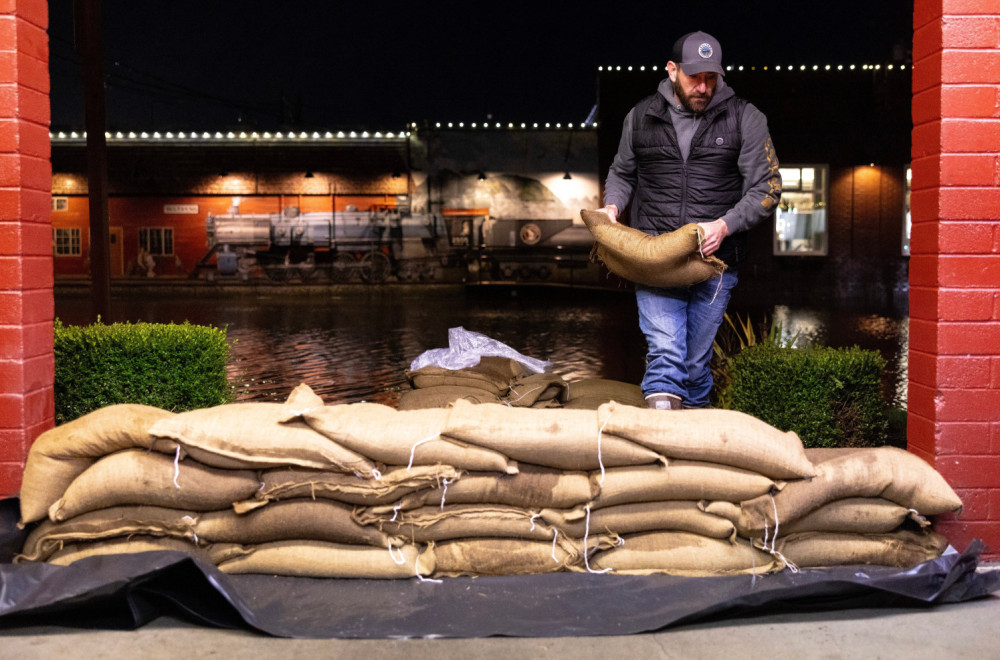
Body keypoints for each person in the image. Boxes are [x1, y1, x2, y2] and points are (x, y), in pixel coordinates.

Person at [600, 30, 781, 410]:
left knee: (696, 366)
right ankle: (661, 455)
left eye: (711, 77)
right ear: (671, 70)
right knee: (666, 356)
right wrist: (612, 207)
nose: (702, 87)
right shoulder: (640, 117)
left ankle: (692, 460)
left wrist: (725, 224)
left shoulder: (745, 118)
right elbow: (621, 172)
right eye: (693, 77)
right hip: (656, 259)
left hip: (715, 263)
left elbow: (766, 188)